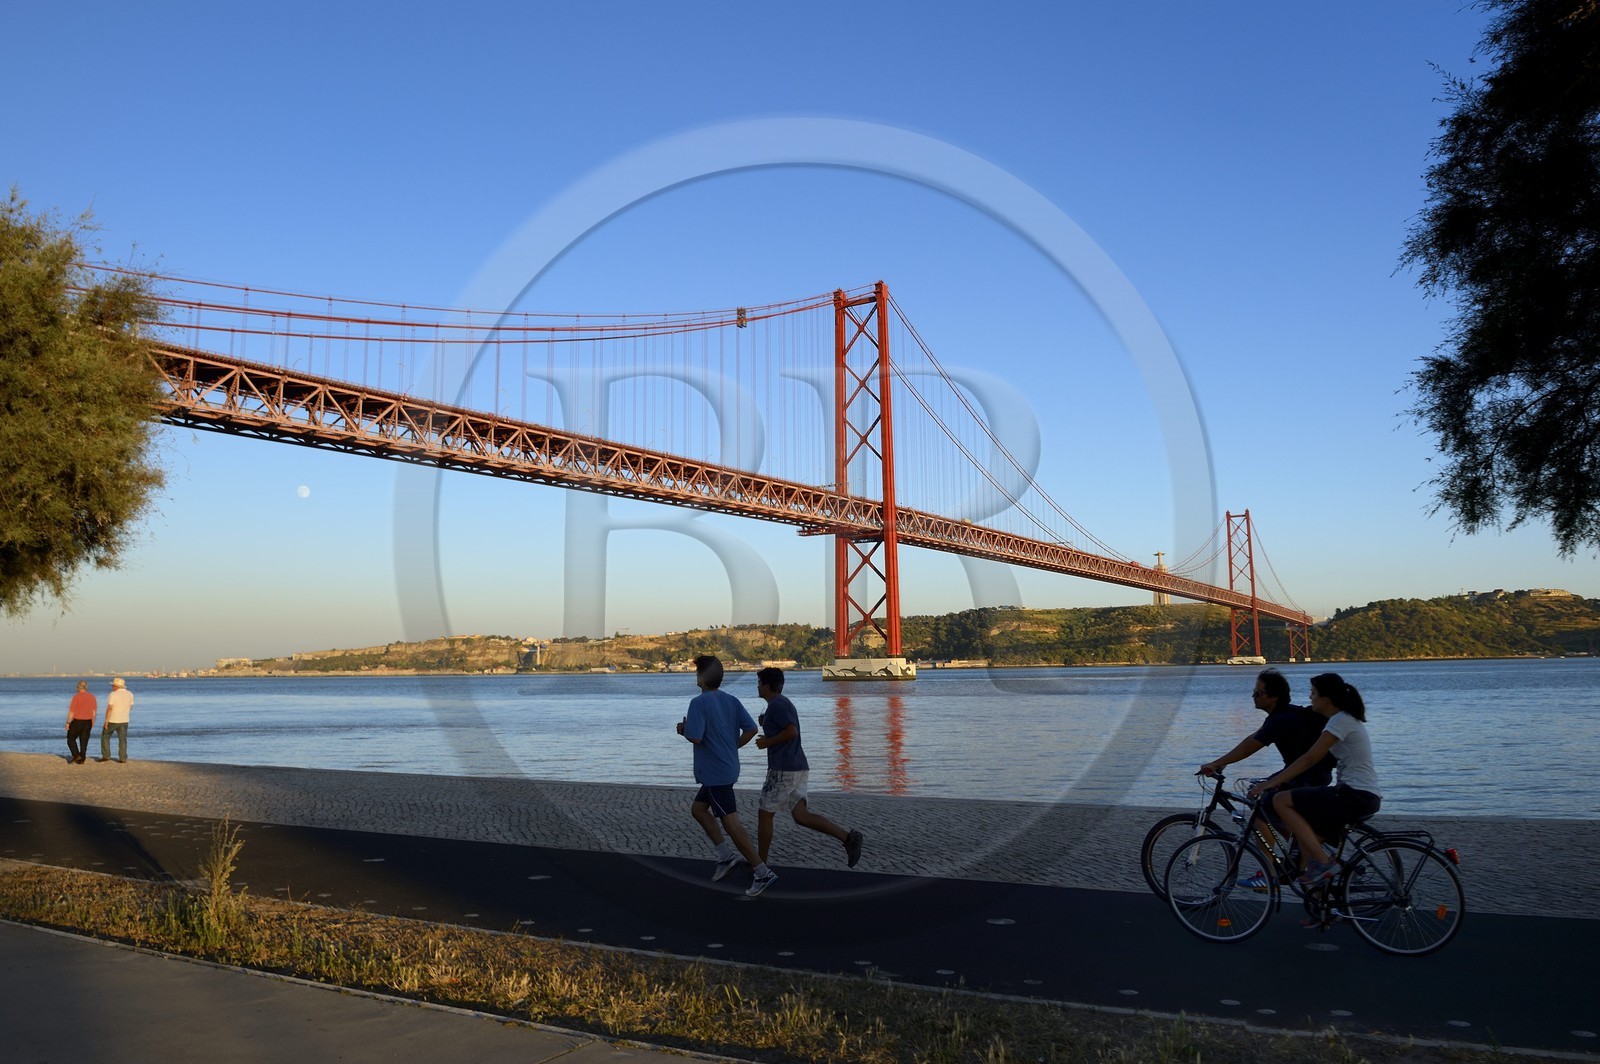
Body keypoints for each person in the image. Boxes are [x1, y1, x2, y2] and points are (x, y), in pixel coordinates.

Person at [1198, 668, 1336, 880]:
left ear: (1273, 697)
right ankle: (1300, 845)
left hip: (1307, 776)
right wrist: (1221, 762)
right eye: (1254, 691)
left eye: (1258, 693)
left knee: (1259, 806)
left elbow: (1250, 746)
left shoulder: (1281, 719)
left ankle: (1267, 873)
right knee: (1261, 794)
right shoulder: (1286, 714)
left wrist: (1217, 763)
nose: (1253, 696)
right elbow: (1251, 739)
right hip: (1310, 774)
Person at [1250, 672, 1382, 887]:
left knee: (1280, 800)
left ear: (1325, 699)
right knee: (1307, 840)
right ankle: (1322, 911)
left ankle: (1324, 862)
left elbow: (1310, 758)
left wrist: (1271, 783)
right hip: (1359, 794)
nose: (1310, 697)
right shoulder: (1342, 718)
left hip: (1354, 795)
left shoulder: (1339, 721)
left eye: (1313, 693)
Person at [675, 654, 779, 897]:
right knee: (698, 809)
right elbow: (752, 728)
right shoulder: (731, 700)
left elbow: (696, 736)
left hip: (715, 772)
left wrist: (683, 730)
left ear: (702, 677)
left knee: (731, 823)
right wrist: (733, 746)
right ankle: (724, 855)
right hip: (726, 767)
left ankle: (762, 872)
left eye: (697, 672)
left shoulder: (698, 703)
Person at [752, 666, 864, 870]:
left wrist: (767, 742)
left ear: (767, 686)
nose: (757, 686)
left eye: (759, 683)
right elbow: (785, 729)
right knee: (801, 816)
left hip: (784, 768)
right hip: (797, 766)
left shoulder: (778, 705)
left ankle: (760, 865)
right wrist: (767, 726)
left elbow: (791, 732)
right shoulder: (778, 705)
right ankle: (848, 838)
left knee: (765, 813)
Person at [98, 677, 134, 763]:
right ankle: (123, 758)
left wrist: (106, 721)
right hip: (124, 719)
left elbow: (110, 708)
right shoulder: (130, 694)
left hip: (113, 719)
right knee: (122, 739)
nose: (112, 687)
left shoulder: (113, 694)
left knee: (105, 736)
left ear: (116, 686)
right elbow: (130, 706)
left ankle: (106, 755)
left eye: (113, 685)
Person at [64, 681, 96, 764]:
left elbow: (72, 712)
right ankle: (82, 758)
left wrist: (68, 722)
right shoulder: (92, 697)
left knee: (70, 738)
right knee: (84, 741)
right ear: (86, 687)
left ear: (78, 688)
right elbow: (94, 711)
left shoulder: (76, 697)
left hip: (77, 721)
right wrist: (93, 720)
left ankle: (76, 755)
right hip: (88, 721)